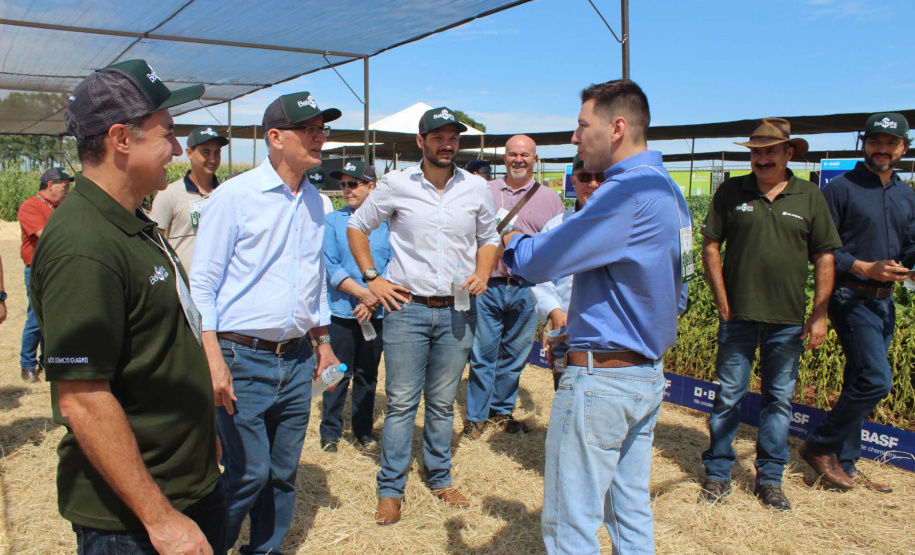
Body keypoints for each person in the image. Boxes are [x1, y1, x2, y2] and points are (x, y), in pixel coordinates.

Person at [29, 59, 224, 555]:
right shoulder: (83, 243)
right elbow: (83, 399)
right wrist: (161, 519)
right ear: (121, 138)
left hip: (183, 486)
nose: (179, 149)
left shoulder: (129, 219)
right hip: (133, 522)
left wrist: (199, 445)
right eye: (168, 133)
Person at [503, 80, 689, 555]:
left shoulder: (625, 193)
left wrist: (505, 242)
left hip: (603, 382)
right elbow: (680, 293)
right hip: (643, 374)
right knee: (629, 513)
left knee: (571, 525)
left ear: (617, 127)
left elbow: (538, 261)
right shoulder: (670, 191)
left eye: (583, 125)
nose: (574, 137)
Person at [190, 91, 342, 554]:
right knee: (248, 472)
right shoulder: (234, 197)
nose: (320, 137)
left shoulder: (319, 202)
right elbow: (202, 286)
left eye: (322, 129)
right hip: (241, 357)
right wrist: (213, 359)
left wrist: (324, 343)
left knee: (281, 474)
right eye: (309, 129)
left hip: (296, 360)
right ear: (275, 138)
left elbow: (314, 281)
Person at [347, 106, 499, 526]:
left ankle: (439, 476)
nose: (446, 144)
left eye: (452, 137)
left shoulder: (476, 188)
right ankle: (391, 488)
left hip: (458, 310)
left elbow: (489, 237)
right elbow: (357, 226)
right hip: (405, 309)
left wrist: (484, 271)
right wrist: (372, 278)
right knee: (399, 404)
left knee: (441, 402)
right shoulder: (396, 184)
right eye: (437, 137)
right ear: (421, 141)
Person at [700, 118, 841, 511]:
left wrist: (819, 313)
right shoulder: (732, 191)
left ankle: (771, 479)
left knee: (778, 400)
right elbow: (711, 245)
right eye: (756, 151)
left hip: (787, 320)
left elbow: (824, 256)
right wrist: (722, 301)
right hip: (738, 316)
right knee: (728, 395)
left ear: (788, 153)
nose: (762, 158)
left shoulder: (809, 196)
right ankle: (718, 473)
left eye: (770, 151)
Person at [799, 113, 914, 494]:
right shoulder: (840, 188)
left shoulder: (905, 193)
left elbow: (909, 245)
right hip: (851, 296)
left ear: (903, 147)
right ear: (864, 143)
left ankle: (843, 463)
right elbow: (824, 248)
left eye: (891, 143)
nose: (882, 149)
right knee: (876, 380)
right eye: (875, 141)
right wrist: (865, 266)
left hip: (885, 301)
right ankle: (819, 445)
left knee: (857, 379)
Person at [463, 135, 564, 439]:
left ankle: (500, 411)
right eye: (512, 154)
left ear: (535, 159)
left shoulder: (551, 199)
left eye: (525, 155)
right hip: (488, 285)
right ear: (504, 158)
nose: (518, 159)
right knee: (482, 354)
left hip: (528, 289)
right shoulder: (484, 190)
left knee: (514, 356)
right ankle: (476, 416)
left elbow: (555, 247)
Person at [319, 161, 390, 453]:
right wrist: (364, 294)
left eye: (353, 184)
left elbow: (394, 266)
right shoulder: (333, 222)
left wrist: (374, 301)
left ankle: (363, 431)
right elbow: (330, 265)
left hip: (376, 313)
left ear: (371, 187)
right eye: (343, 184)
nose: (346, 190)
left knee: (367, 374)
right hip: (341, 312)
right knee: (336, 372)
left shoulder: (388, 225)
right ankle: (330, 432)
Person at [530, 155, 603, 391]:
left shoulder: (622, 225)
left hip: (605, 331)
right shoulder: (555, 226)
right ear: (574, 180)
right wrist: (554, 310)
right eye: (584, 177)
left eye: (599, 177)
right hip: (563, 327)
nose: (592, 184)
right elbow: (539, 273)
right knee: (565, 389)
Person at [17, 166, 72, 383]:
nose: (67, 190)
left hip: (59, 268)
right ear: (50, 185)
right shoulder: (30, 206)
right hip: (38, 269)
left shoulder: (60, 207)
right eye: (64, 186)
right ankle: (27, 365)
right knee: (36, 317)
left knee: (55, 316)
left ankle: (48, 360)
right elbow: (45, 235)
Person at [149, 126, 228, 270]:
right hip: (184, 285)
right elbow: (153, 243)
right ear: (189, 153)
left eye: (217, 153)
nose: (212, 159)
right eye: (206, 152)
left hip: (219, 284)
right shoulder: (170, 194)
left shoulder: (226, 193)